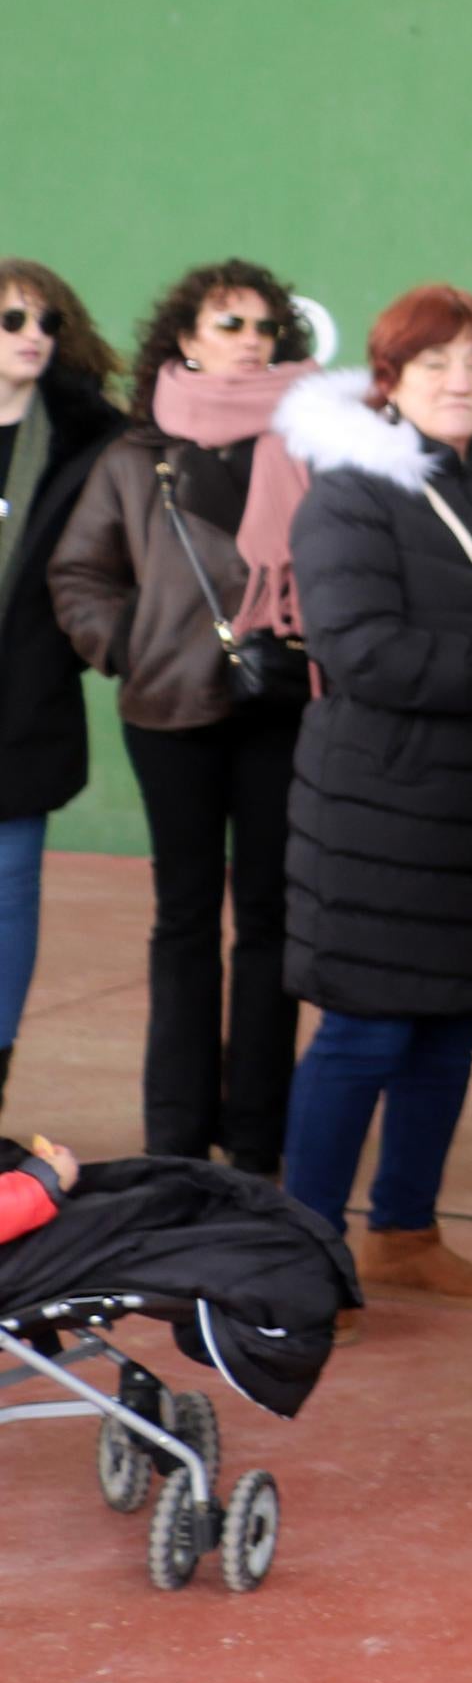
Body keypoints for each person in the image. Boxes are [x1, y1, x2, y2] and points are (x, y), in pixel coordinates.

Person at [270, 287, 472, 1321]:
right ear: (389, 381)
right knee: (365, 1031)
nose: (461, 382)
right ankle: (299, 1253)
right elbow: (361, 651)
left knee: (451, 1027)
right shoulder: (349, 494)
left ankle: (407, 1232)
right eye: (435, 363)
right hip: (381, 806)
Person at [46, 260, 325, 1172]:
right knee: (185, 919)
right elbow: (78, 573)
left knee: (273, 920)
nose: (251, 341)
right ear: (186, 340)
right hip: (170, 704)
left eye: (263, 327)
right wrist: (130, 642)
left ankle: (257, 1136)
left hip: (282, 702)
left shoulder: (314, 440)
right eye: (229, 324)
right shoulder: (136, 455)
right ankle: (174, 1133)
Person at [0, 263, 124, 1121]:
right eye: (11, 318)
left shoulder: (91, 445)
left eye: (47, 320)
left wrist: (62, 653)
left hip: (21, 714)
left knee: (6, 910)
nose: (31, 333)